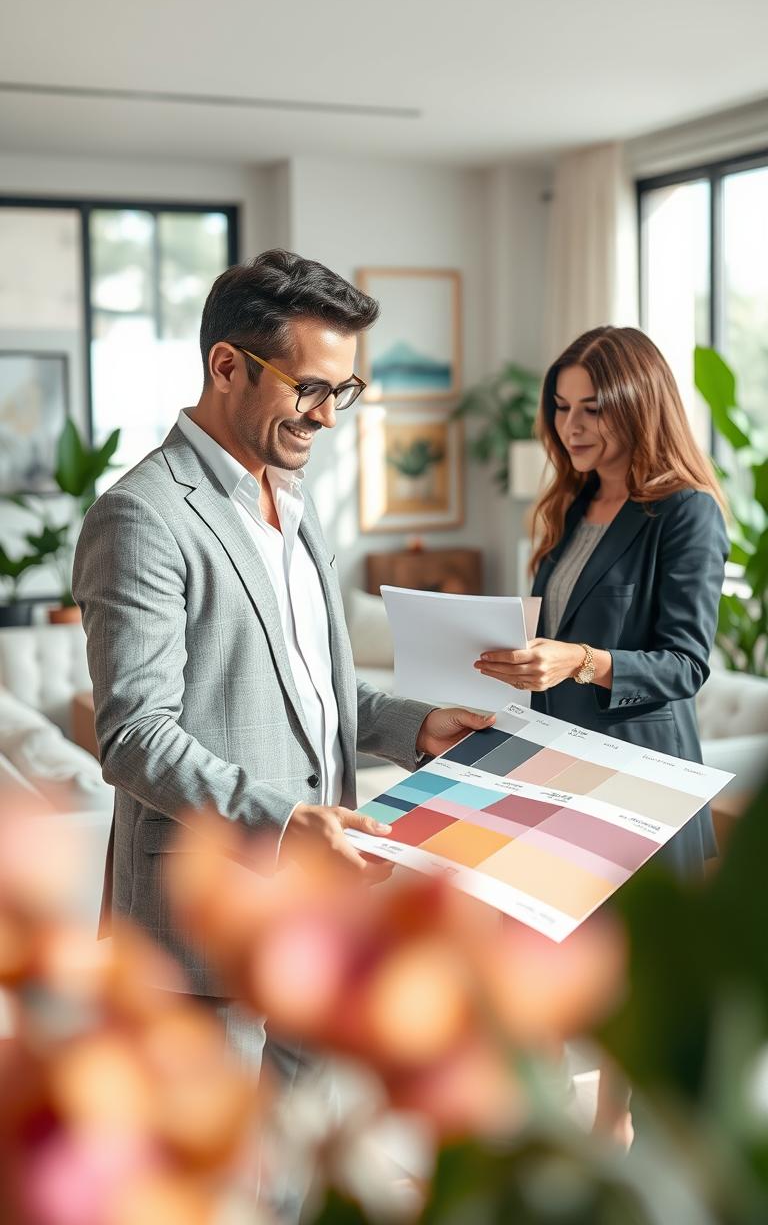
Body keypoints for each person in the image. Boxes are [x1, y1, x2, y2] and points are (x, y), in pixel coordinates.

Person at [73, 248, 492, 1063]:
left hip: (318, 911)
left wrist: (420, 726)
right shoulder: (143, 516)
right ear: (226, 365)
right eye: (310, 389)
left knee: (302, 1165)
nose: (329, 417)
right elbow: (135, 737)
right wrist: (287, 825)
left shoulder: (296, 506)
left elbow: (318, 694)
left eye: (344, 392)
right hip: (200, 930)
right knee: (219, 1178)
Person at [474, 325, 728, 1142]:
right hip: (551, 763)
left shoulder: (684, 514)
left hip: (639, 775)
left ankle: (613, 1130)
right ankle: (543, 1125)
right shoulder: (570, 506)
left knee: (629, 976)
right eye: (561, 407)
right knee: (534, 955)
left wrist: (579, 660)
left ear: (637, 405)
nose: (571, 425)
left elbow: (685, 664)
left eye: (592, 408)